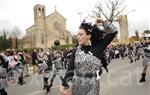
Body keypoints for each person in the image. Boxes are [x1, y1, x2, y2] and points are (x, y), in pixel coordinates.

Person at [59, 18, 118, 95]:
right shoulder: (76, 49)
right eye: (77, 34)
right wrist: (64, 85)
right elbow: (70, 68)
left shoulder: (99, 46)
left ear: (89, 36)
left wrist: (103, 21)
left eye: (81, 34)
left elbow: (114, 31)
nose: (77, 37)